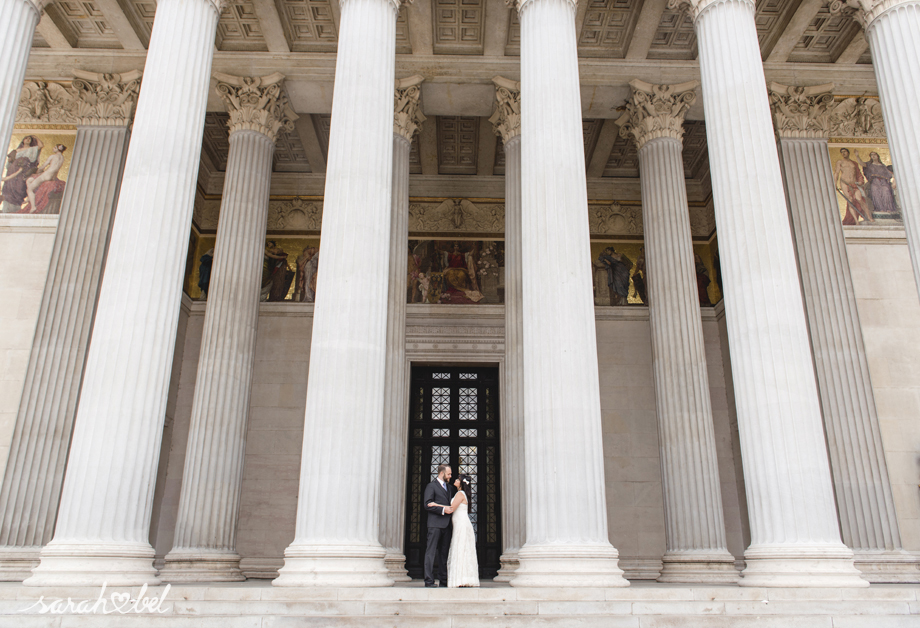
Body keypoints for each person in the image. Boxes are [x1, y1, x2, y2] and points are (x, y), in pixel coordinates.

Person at [441, 475, 479, 588]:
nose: (455, 480)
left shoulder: (460, 494)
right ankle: (463, 577)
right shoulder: (462, 494)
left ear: (461, 483)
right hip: (460, 524)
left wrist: (436, 505)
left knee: (461, 549)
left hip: (461, 525)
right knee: (463, 549)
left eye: (458, 479)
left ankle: (461, 579)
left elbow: (451, 508)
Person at [422, 464, 454, 587]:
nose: (450, 476)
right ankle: (429, 580)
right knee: (430, 553)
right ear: (442, 473)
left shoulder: (450, 488)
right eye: (449, 474)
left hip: (447, 526)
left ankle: (443, 580)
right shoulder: (431, 486)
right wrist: (442, 510)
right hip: (435, 525)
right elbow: (427, 504)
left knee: (444, 554)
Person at [1, 135, 42, 213]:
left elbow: (41, 145)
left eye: (30, 139)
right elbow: (9, 161)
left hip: (24, 171)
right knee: (9, 188)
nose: (28, 139)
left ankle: (17, 209)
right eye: (26, 138)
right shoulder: (16, 150)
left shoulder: (32, 149)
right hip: (13, 170)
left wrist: (35, 137)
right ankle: (7, 210)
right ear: (23, 140)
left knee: (20, 188)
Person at [834, 148, 874, 225]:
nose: (843, 153)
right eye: (842, 152)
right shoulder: (840, 162)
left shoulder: (854, 163)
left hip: (854, 184)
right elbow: (836, 173)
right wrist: (835, 183)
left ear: (848, 153)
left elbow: (858, 174)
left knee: (860, 199)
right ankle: (856, 221)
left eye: (844, 152)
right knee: (850, 201)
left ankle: (869, 217)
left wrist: (860, 181)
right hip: (845, 183)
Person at [855, 150, 900, 219]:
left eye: (874, 154)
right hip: (874, 181)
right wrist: (857, 156)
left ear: (877, 156)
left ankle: (888, 208)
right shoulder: (869, 165)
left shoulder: (883, 166)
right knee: (875, 191)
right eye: (871, 155)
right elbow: (861, 163)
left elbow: (890, 173)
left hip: (884, 182)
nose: (873, 156)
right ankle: (879, 208)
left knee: (886, 190)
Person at [25, 144, 66, 213]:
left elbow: (43, 166)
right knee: (30, 180)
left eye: (54, 147)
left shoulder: (53, 156)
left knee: (30, 189)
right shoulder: (62, 158)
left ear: (57, 149)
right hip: (53, 176)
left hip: (46, 175)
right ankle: (29, 198)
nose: (53, 148)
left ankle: (33, 207)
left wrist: (38, 171)